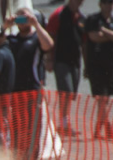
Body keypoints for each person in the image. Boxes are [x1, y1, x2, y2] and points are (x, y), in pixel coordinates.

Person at [5, 8, 53, 160]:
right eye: (19, 18)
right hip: (15, 93)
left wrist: (36, 24)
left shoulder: (36, 38)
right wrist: (6, 26)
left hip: (32, 92)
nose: (21, 22)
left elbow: (49, 45)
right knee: (16, 130)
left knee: (32, 130)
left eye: (24, 18)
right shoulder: (11, 39)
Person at [84, 0, 113, 139]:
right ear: (100, 4)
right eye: (105, 2)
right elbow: (94, 37)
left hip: (111, 64)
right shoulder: (93, 20)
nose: (108, 5)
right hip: (96, 64)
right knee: (100, 97)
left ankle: (101, 129)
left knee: (105, 98)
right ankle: (105, 128)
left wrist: (106, 32)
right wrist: (112, 36)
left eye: (110, 3)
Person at [47, 0, 86, 136]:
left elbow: (84, 43)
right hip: (60, 60)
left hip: (75, 62)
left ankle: (65, 121)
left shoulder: (81, 18)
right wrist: (49, 59)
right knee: (66, 91)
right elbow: (50, 36)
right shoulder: (58, 15)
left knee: (71, 93)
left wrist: (86, 64)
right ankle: (63, 123)